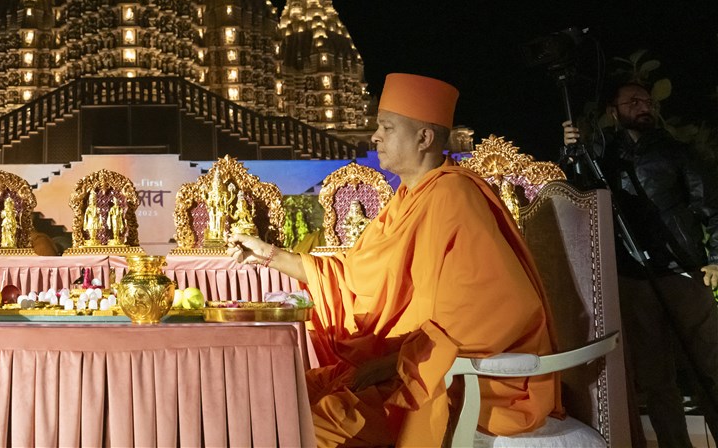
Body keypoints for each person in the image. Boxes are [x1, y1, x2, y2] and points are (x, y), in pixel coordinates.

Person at [228, 73, 559, 446]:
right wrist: (269, 255)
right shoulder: (405, 199)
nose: (375, 137)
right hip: (402, 364)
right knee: (283, 396)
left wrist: (393, 364)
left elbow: (501, 307)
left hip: (448, 380)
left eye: (386, 127)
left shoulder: (454, 197)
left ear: (424, 137)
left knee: (304, 424)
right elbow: (353, 280)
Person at [562, 79, 718, 446]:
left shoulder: (677, 152)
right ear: (614, 112)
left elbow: (712, 207)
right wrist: (571, 153)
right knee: (656, 379)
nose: (643, 105)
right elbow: (580, 197)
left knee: (710, 368)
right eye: (633, 101)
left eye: (646, 100)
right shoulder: (603, 158)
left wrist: (715, 259)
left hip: (683, 273)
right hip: (633, 279)